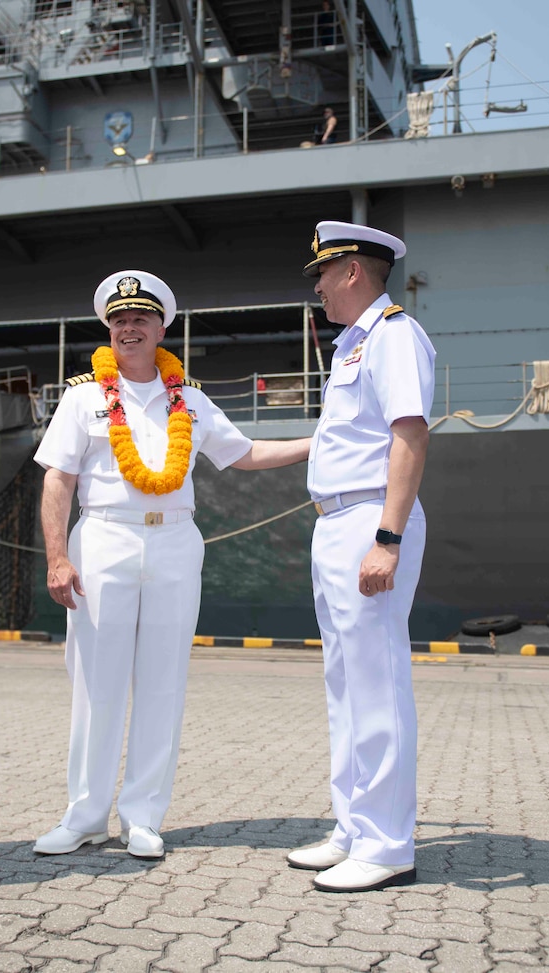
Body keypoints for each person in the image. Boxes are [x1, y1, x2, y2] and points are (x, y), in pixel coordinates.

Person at [33, 271, 309, 860]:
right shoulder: (83, 396)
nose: (128, 328)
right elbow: (58, 477)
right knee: (95, 684)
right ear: (109, 328)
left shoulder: (192, 398)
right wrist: (57, 557)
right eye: (119, 320)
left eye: (140, 319)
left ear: (162, 328)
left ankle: (143, 817)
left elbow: (246, 453)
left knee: (163, 683)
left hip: (176, 543)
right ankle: (83, 816)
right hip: (103, 538)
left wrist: (320, 439)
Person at [288, 223, 435, 893]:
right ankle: (352, 826)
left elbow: (409, 432)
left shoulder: (394, 335)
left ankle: (387, 843)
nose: (316, 285)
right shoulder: (352, 343)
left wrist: (389, 537)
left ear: (352, 271)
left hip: (371, 519)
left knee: (377, 682)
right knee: (344, 684)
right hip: (336, 519)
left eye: (323, 273)